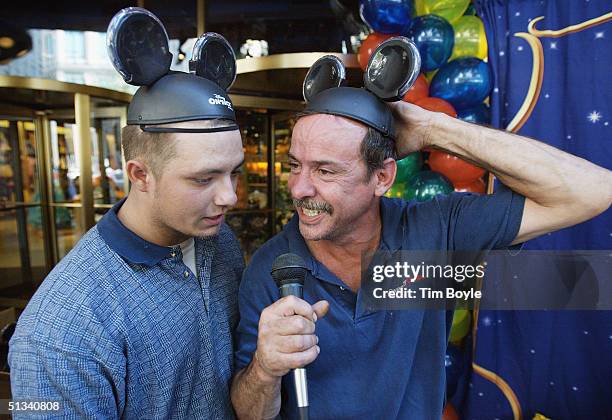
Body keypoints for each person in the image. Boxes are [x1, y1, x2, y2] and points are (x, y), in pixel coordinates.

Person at [230, 95, 612, 417]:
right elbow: (250, 413)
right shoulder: (273, 267)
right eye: (294, 165)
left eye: (325, 171)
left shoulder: (435, 230)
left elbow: (594, 191)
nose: (298, 188)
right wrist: (265, 369)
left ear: (382, 177)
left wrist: (435, 129)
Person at [9, 9, 245, 419]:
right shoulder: (56, 333)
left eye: (233, 173)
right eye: (204, 178)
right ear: (140, 174)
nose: (229, 197)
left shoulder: (219, 242)